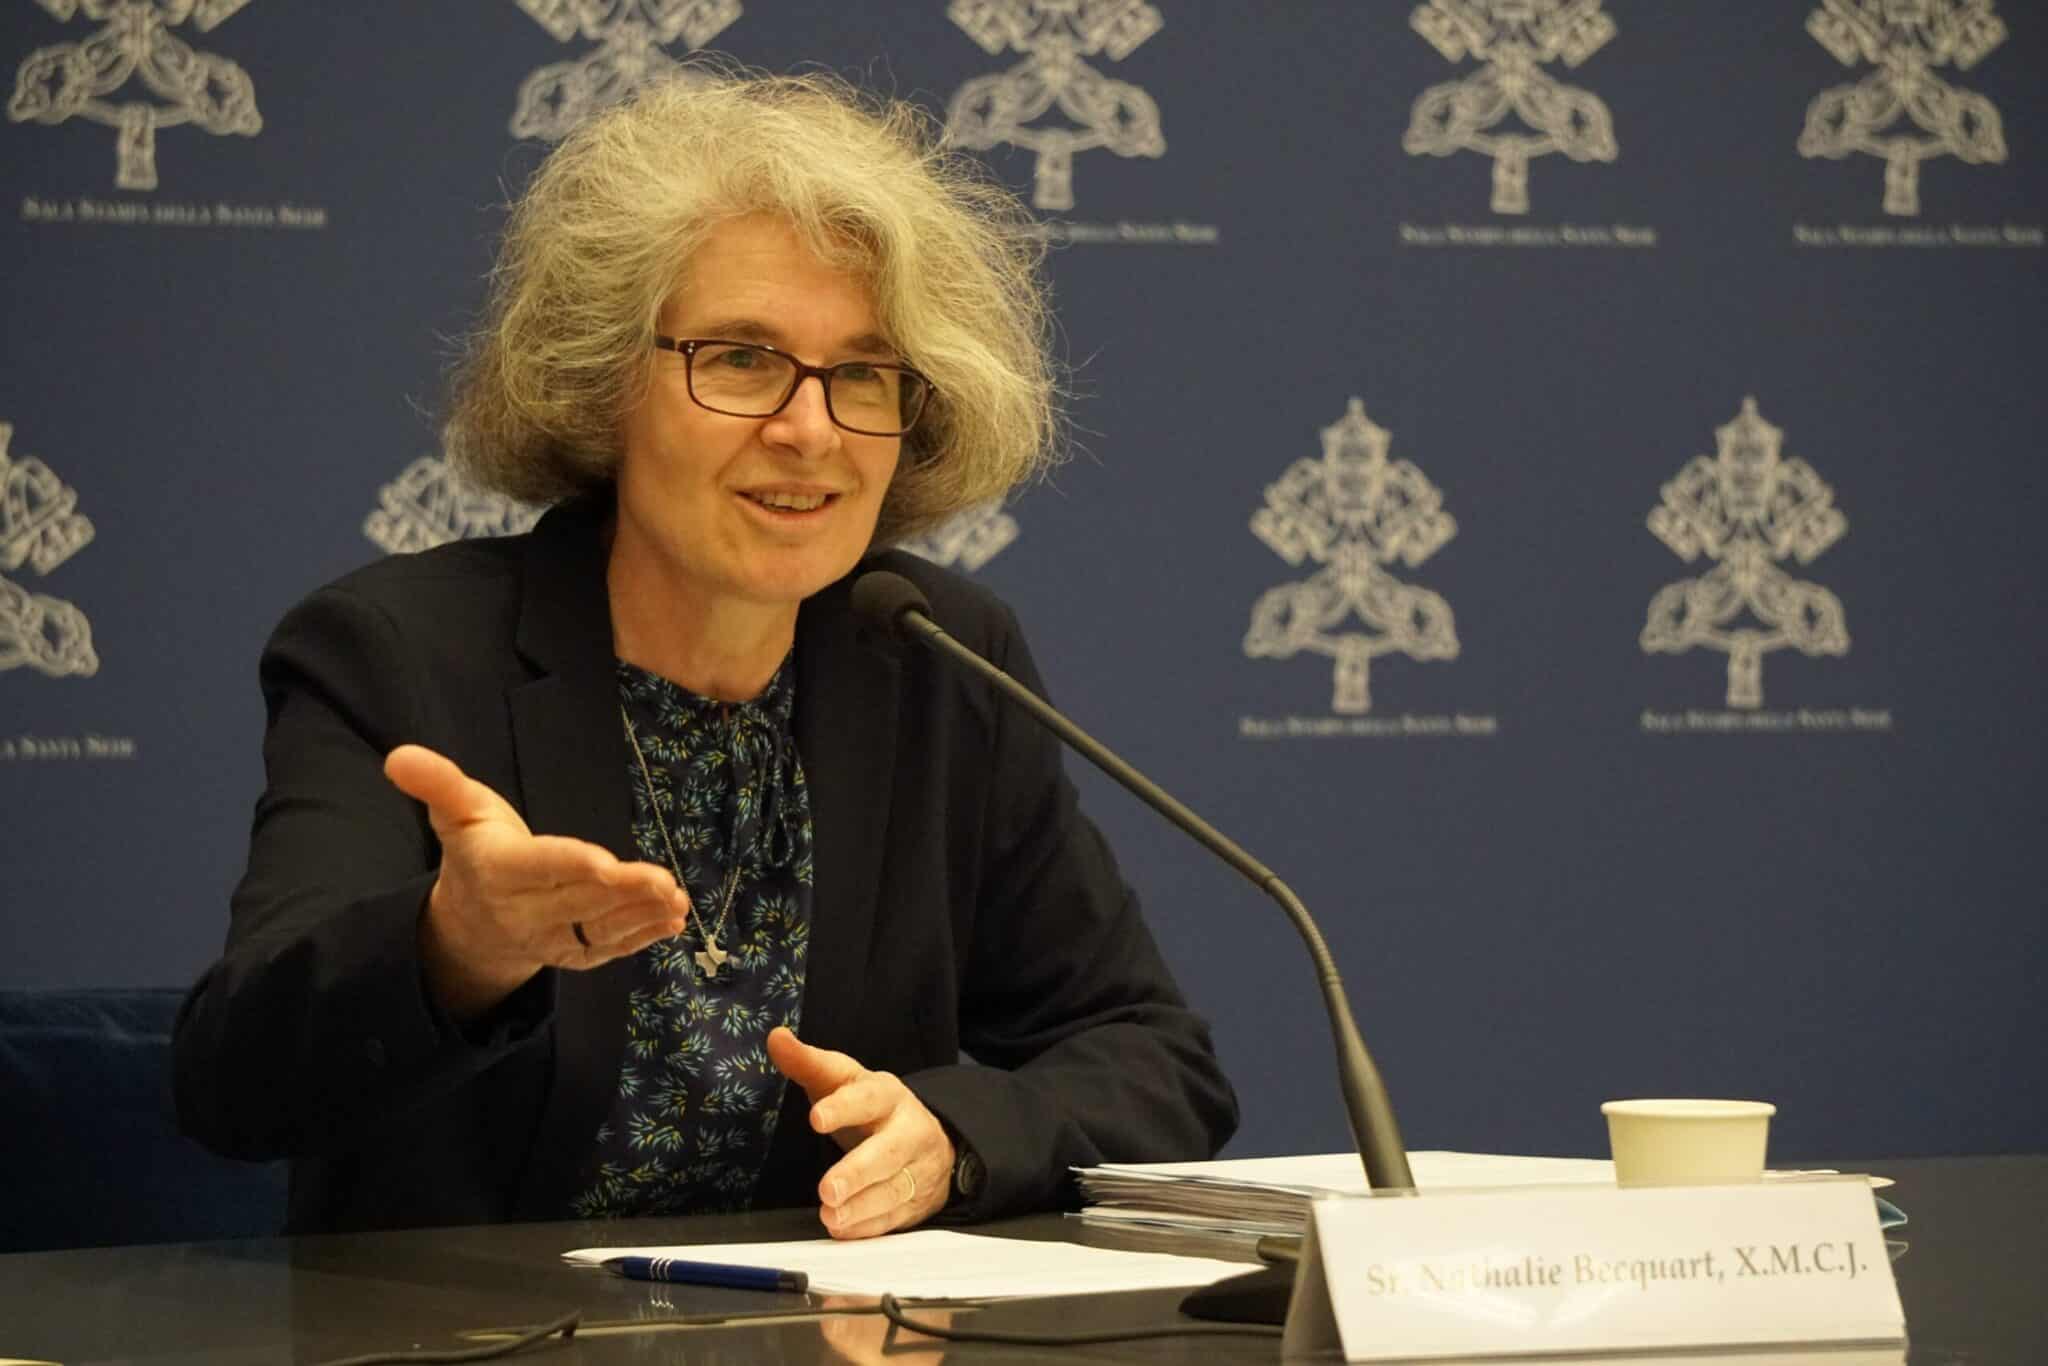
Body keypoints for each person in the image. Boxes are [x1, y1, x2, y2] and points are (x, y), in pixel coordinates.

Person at [173, 70, 1237, 1238]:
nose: (809, 428)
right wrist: (454, 948)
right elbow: (233, 1086)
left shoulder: (931, 657)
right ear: (602, 387)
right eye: (738, 358)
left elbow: (1153, 1062)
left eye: (863, 374)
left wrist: (959, 1137)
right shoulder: (402, 656)